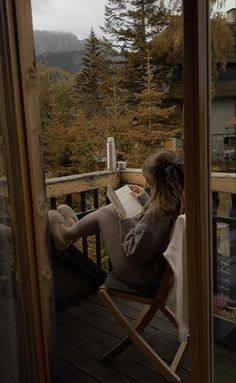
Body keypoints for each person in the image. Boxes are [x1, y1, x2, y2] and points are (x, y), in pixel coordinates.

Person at [48, 150, 184, 286]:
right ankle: (74, 230)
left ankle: (65, 235)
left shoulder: (156, 214)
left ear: (158, 184)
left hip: (139, 274)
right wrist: (144, 199)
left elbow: (134, 252)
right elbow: (153, 233)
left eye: (148, 181)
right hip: (154, 270)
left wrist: (124, 221)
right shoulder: (175, 204)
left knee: (104, 214)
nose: (147, 185)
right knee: (113, 208)